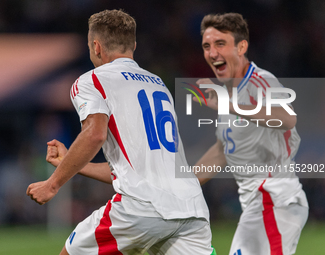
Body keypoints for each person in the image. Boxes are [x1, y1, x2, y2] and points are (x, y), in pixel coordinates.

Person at [26, 9, 215, 255]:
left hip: (141, 208)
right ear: (133, 45)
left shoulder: (92, 80)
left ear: (95, 46)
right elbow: (135, 166)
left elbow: (95, 134)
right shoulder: (159, 84)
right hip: (191, 208)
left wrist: (52, 184)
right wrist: (72, 163)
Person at [194, 13, 308, 255]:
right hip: (257, 208)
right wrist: (180, 185)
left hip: (275, 202)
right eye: (207, 46)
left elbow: (287, 118)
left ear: (241, 46)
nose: (212, 53)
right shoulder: (231, 93)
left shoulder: (261, 81)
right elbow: (222, 151)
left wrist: (229, 105)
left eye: (220, 44)